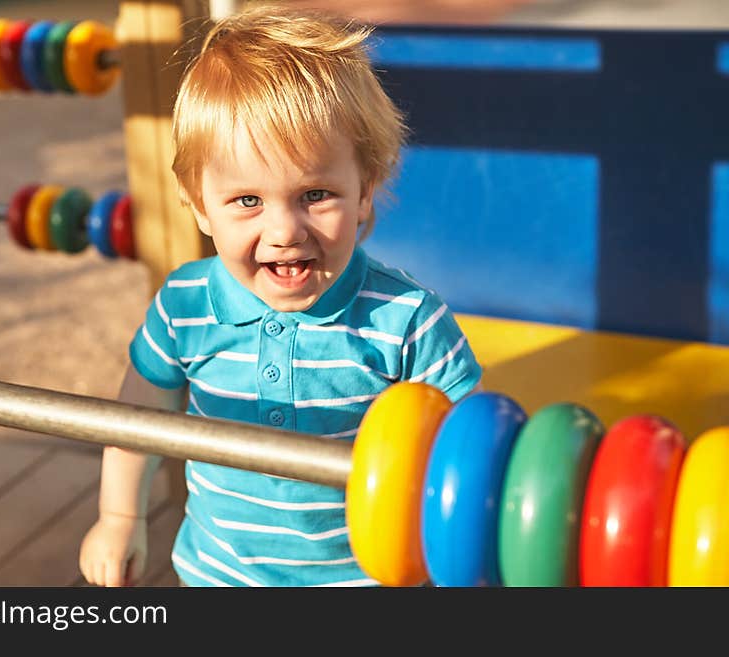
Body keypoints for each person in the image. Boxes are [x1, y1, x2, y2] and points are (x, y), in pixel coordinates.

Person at [79, 4, 482, 588]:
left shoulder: (407, 321)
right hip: (219, 575)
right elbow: (138, 417)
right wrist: (119, 517)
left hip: (360, 581)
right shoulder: (184, 307)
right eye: (247, 201)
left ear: (364, 191)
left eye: (315, 194)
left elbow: (470, 453)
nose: (285, 231)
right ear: (197, 204)